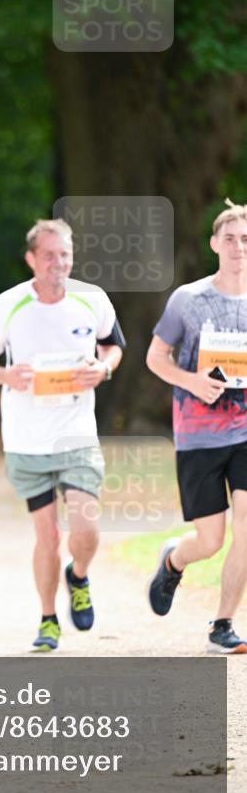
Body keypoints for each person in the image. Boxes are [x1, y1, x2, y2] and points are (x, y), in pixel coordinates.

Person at [0, 218, 125, 652]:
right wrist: (6, 376)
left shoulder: (91, 299)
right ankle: (48, 619)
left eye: (65, 254)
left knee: (85, 529)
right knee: (48, 536)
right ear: (31, 259)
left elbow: (113, 345)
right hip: (27, 439)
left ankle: (79, 575)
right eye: (50, 255)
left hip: (76, 434)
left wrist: (103, 367)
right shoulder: (10, 303)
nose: (59, 263)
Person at [146, 199, 247, 654]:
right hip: (198, 434)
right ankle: (173, 561)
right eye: (230, 239)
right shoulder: (187, 299)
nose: (239, 247)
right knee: (210, 541)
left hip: (245, 432)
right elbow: (155, 357)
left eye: (246, 240)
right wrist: (192, 382)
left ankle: (222, 625)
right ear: (214, 244)